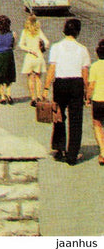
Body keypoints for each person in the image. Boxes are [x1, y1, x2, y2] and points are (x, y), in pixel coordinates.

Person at [42, 18, 91, 165]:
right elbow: (85, 74)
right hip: (76, 84)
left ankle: (60, 148)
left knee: (58, 116)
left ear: (64, 30)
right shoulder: (82, 49)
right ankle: (72, 155)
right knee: (76, 120)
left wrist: (45, 88)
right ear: (78, 32)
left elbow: (52, 69)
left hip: (60, 84)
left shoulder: (56, 47)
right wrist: (87, 92)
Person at [19, 14, 50, 106]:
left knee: (30, 78)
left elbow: (21, 45)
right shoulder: (39, 31)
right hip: (38, 56)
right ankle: (39, 96)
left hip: (29, 57)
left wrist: (30, 50)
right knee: (38, 77)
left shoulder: (25, 32)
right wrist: (42, 48)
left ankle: (33, 97)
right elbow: (47, 42)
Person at [0, 15, 17, 104]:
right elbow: (14, 45)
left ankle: (2, 96)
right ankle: (8, 94)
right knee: (8, 76)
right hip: (9, 55)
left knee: (0, 77)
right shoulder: (13, 33)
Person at [87, 38, 104, 166]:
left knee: (97, 125)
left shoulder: (95, 66)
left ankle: (103, 152)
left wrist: (87, 98)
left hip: (98, 100)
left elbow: (91, 86)